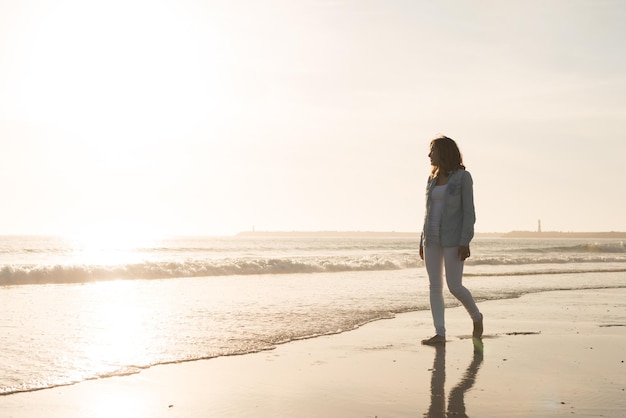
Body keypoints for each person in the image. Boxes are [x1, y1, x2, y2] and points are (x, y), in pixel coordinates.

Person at [419, 135, 483, 345]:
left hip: (454, 238)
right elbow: (428, 212)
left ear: (444, 152)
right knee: (434, 287)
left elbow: (469, 212)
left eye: (433, 150)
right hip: (431, 238)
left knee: (454, 286)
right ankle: (440, 333)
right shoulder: (432, 179)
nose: (429, 155)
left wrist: (465, 241)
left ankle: (476, 317)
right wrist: (422, 240)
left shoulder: (463, 178)